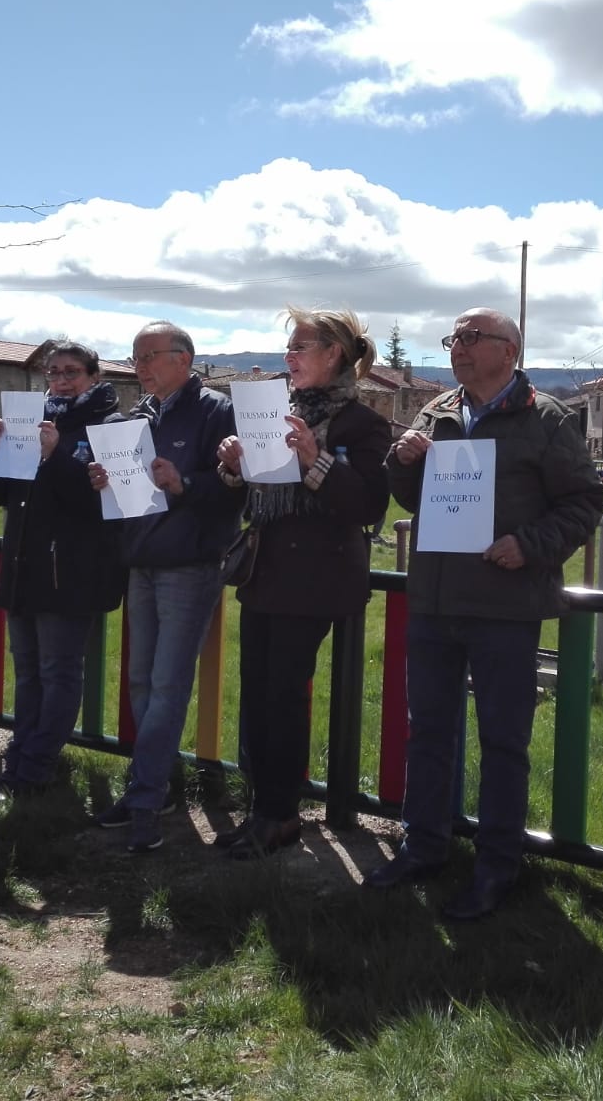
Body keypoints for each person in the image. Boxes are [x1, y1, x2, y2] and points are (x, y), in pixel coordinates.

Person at [370, 307, 603, 919]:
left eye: (473, 338)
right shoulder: (437, 411)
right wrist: (403, 458)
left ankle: (498, 865)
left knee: (504, 741)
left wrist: (530, 545)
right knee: (428, 732)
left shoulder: (545, 419)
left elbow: (584, 500)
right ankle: (424, 847)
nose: (459, 348)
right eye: (454, 338)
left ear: (511, 349)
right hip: (436, 600)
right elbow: (406, 493)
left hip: (505, 606)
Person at [214, 307, 391, 859]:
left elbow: (367, 505)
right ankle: (263, 809)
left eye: (300, 347)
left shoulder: (362, 424)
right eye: (289, 348)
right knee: (259, 696)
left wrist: (316, 462)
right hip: (267, 573)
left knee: (284, 697)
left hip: (316, 579)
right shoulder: (276, 411)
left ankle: (279, 815)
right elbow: (252, 494)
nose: (288, 357)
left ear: (333, 354)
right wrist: (234, 466)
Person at [86, 323, 239, 851]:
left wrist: (186, 483)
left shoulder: (217, 411)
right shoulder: (139, 416)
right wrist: (105, 481)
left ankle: (145, 800)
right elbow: (129, 493)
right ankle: (162, 787)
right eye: (134, 357)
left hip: (189, 564)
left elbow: (235, 488)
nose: (141, 366)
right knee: (141, 683)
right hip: (142, 560)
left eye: (150, 356)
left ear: (185, 358)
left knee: (168, 686)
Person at [0, 341, 125, 798]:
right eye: (53, 371)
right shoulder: (32, 418)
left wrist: (54, 457)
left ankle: (34, 768)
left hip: (71, 572)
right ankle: (20, 756)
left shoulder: (111, 425)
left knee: (59, 671)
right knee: (27, 672)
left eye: (72, 372)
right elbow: (3, 495)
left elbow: (102, 503)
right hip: (25, 565)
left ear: (94, 376)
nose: (60, 380)